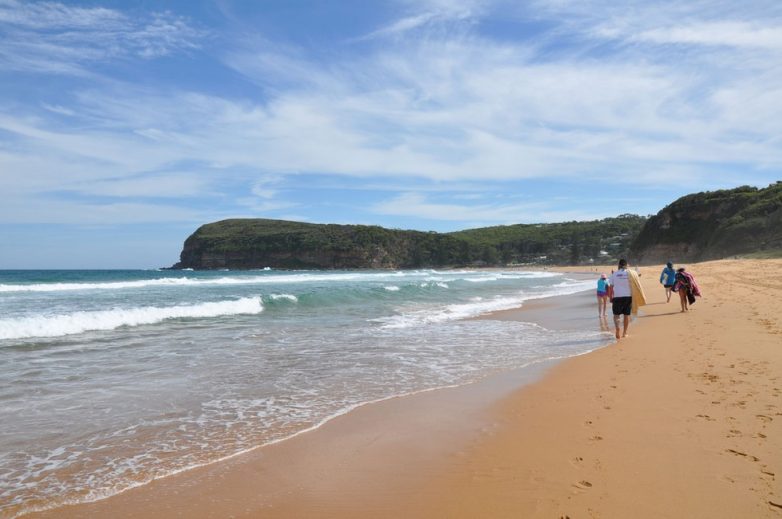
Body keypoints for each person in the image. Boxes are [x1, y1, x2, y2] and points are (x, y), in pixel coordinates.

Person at [609, 259, 632, 340]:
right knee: (626, 315)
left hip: (617, 296)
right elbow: (635, 285)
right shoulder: (630, 274)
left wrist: (610, 297)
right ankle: (625, 333)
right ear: (626, 265)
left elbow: (611, 287)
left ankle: (617, 328)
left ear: (618, 265)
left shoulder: (614, 274)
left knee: (616, 315)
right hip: (628, 296)